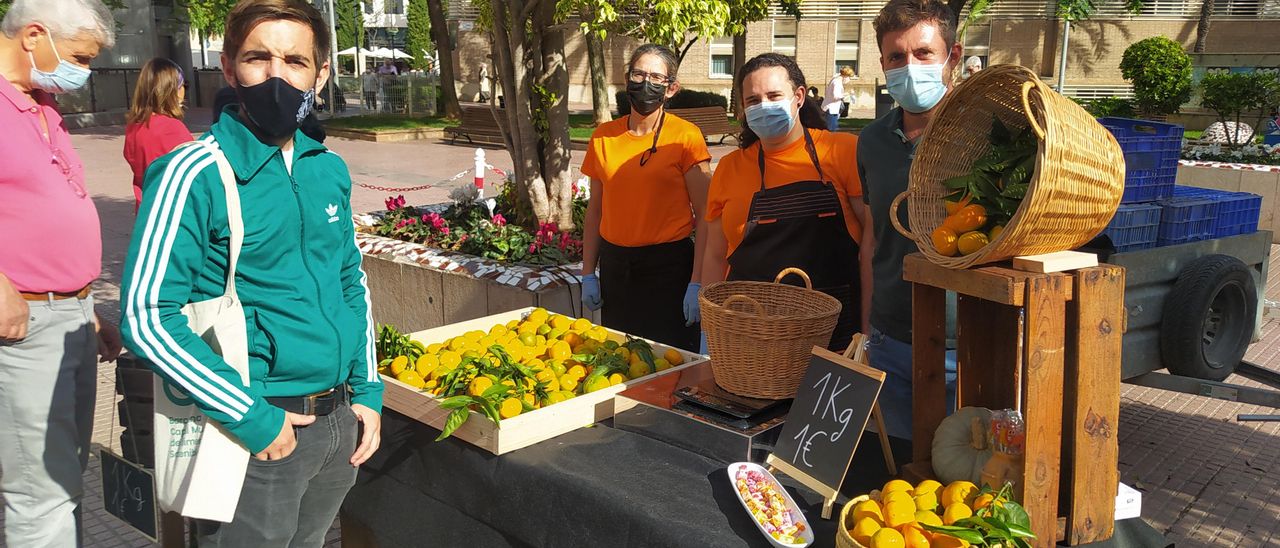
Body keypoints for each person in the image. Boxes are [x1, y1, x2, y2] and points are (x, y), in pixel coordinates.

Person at [120, 0, 382, 544]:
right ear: (228, 65)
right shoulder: (192, 173)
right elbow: (146, 316)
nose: (277, 76)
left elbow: (350, 281)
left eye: (296, 61)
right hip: (254, 432)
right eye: (259, 58)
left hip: (339, 425)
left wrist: (368, 388)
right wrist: (251, 417)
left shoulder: (326, 168)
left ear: (322, 72)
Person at [0, 0, 122, 545]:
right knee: (39, 489)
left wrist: (84, 302)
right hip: (24, 320)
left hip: (67, 314)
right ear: (33, 36)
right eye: (79, 57)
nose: (83, 72)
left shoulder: (39, 103)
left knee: (66, 475)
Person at [701, 53, 871, 353]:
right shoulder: (730, 168)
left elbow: (872, 242)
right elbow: (715, 255)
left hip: (835, 331)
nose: (763, 106)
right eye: (753, 100)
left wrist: (870, 329)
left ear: (799, 96)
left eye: (774, 95)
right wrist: (710, 325)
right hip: (750, 329)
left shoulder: (842, 151)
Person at [858, 0, 961, 441]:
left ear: (951, 57)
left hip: (969, 341)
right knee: (897, 472)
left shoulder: (991, 130)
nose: (909, 65)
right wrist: (867, 329)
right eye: (896, 57)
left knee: (968, 484)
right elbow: (871, 239)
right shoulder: (871, 140)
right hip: (891, 338)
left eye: (923, 53)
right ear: (883, 64)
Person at [580, 44, 711, 352]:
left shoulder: (685, 136)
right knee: (621, 358)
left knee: (669, 361)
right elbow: (595, 211)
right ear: (627, 80)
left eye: (656, 76)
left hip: (668, 269)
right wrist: (588, 273)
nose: (646, 83)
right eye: (639, 74)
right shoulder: (603, 136)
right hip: (616, 268)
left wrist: (697, 282)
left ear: (671, 88)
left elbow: (707, 213)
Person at [124, 57, 193, 210]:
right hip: (172, 211)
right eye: (184, 85)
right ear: (173, 88)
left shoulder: (134, 127)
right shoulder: (172, 128)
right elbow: (194, 174)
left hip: (146, 208)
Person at [823, 66, 854, 131]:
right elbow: (836, 96)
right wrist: (846, 94)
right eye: (849, 77)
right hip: (831, 109)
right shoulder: (837, 82)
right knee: (831, 130)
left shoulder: (835, 79)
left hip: (830, 108)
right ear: (845, 76)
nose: (849, 79)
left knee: (830, 129)